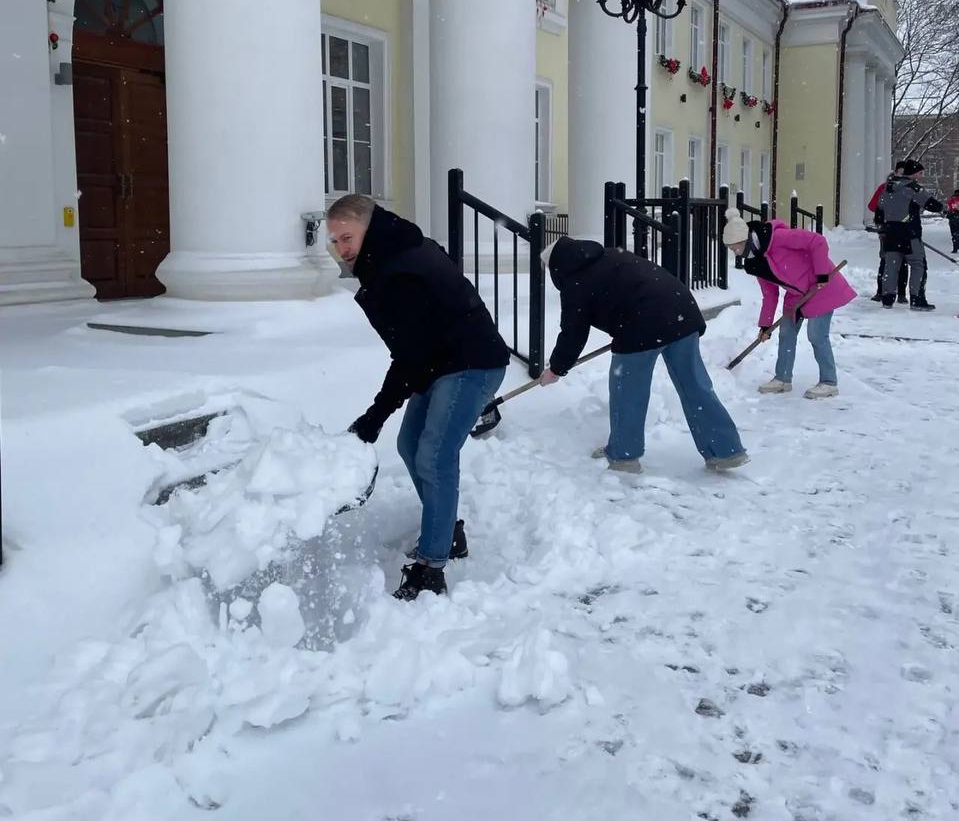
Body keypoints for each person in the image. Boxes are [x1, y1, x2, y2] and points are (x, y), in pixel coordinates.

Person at [327, 195, 508, 601]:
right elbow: (414, 348)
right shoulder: (396, 252)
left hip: (470, 362)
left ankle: (431, 568)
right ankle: (448, 532)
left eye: (347, 237)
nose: (342, 249)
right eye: (335, 241)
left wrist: (374, 416)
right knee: (411, 446)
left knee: (435, 455)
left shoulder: (396, 269)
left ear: (369, 229)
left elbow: (408, 353)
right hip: (441, 361)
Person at [537, 236, 748, 473]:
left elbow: (573, 333)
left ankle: (624, 455)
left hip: (641, 325)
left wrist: (556, 368)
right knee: (695, 386)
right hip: (682, 310)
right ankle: (726, 450)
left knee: (628, 391)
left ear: (556, 265)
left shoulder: (575, 281)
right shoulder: (607, 255)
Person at [722, 209, 856, 399]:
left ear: (747, 240)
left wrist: (821, 273)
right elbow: (769, 294)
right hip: (796, 295)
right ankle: (782, 379)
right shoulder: (755, 263)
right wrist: (765, 325)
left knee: (817, 335)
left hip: (820, 287)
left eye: (736, 247)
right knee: (786, 333)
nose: (735, 252)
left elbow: (817, 241)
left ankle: (829, 382)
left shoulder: (779, 238)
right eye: (731, 249)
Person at [874, 159, 945, 311]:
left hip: (891, 233)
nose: (920, 176)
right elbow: (932, 205)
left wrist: (881, 229)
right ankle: (917, 299)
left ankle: (887, 298)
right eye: (919, 173)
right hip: (909, 234)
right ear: (912, 173)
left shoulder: (888, 187)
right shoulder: (913, 188)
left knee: (891, 265)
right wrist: (942, 207)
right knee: (918, 265)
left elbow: (879, 210)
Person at [868, 163, 908, 304]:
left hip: (905, 230)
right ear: (896, 172)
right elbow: (873, 206)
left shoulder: (910, 188)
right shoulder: (885, 188)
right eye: (901, 172)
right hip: (887, 230)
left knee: (903, 261)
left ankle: (902, 294)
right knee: (886, 260)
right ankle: (881, 291)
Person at [948, 185, 959, 254]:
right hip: (955, 217)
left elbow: (950, 208)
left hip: (953, 218)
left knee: (954, 233)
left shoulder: (952, 199)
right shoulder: (952, 199)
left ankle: (955, 247)